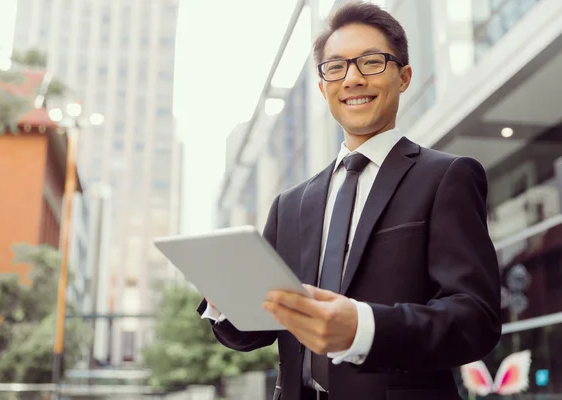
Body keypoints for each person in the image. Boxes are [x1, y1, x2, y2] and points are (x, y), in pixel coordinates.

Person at [197, 2, 501, 399]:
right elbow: (254, 332)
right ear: (323, 87)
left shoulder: (446, 177)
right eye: (335, 67)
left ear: (404, 76)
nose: (352, 79)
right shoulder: (290, 204)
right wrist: (225, 300)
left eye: (371, 62)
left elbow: (474, 320)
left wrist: (364, 328)